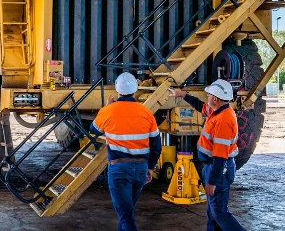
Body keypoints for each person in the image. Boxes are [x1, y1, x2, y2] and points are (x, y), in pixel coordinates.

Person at [170, 80, 246, 231]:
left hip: (219, 168)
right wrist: (182, 94)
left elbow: (220, 155)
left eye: (209, 94)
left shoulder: (224, 120)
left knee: (219, 213)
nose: (207, 96)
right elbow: (201, 106)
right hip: (212, 166)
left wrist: (212, 181)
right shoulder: (216, 110)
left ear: (215, 99)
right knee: (212, 212)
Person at [91, 73, 161, 231]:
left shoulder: (108, 111)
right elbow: (157, 144)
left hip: (120, 170)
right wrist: (150, 167)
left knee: (126, 216)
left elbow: (94, 130)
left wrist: (106, 107)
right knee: (126, 213)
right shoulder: (146, 113)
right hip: (141, 170)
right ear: (135, 90)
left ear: (117, 89)